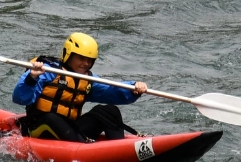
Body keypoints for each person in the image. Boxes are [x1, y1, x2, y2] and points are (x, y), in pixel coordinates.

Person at [11, 32, 147, 142]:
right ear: (69, 54)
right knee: (51, 118)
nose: (86, 64)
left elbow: (111, 90)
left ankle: (120, 148)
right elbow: (20, 98)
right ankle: (84, 147)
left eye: (90, 60)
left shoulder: (87, 80)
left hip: (71, 130)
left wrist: (133, 89)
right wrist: (32, 78)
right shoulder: (46, 71)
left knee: (109, 111)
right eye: (81, 58)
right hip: (39, 128)